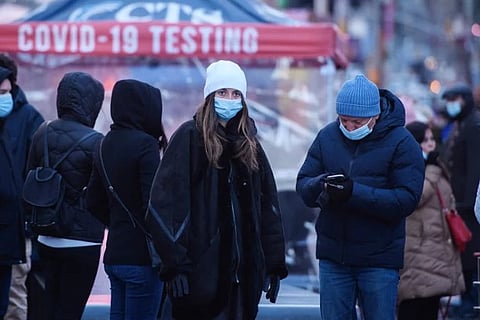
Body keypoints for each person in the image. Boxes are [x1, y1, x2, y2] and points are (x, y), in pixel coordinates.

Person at [146, 59, 288, 320]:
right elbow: (165, 205)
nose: (229, 99)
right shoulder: (190, 138)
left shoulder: (249, 145)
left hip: (243, 280)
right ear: (210, 96)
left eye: (236, 94)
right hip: (201, 277)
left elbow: (268, 207)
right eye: (222, 92)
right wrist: (174, 264)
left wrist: (273, 262)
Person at [296, 74, 425, 320]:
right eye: (344, 121)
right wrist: (322, 185)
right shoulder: (327, 136)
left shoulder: (402, 143)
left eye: (357, 122)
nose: (349, 128)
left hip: (378, 260)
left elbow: (406, 199)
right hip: (335, 257)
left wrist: (354, 192)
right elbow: (303, 184)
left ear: (375, 116)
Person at [24, 71, 105, 319]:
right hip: (82, 243)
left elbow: (28, 177)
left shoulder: (42, 132)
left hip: (45, 236)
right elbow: (100, 196)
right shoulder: (97, 142)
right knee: (70, 311)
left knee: (45, 309)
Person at [86, 79, 168, 320]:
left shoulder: (103, 143)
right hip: (142, 259)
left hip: (114, 256)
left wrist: (119, 224)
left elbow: (92, 200)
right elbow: (153, 205)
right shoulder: (146, 145)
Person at [397, 121, 465, 320]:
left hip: (435, 250)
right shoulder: (413, 169)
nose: (431, 144)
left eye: (431, 139)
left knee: (429, 308)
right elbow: (415, 197)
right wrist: (432, 170)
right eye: (424, 140)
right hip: (417, 253)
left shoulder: (434, 167)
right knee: (413, 306)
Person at [0, 54, 44, 319]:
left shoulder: (28, 117)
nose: (3, 96)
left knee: (15, 290)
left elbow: (38, 168)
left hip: (17, 225)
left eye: (5, 91)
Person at [439, 84, 480, 319]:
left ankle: (470, 310)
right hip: (462, 209)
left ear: (465, 99)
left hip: (470, 212)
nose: (451, 104)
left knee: (471, 265)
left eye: (454, 99)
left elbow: (475, 168)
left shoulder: (473, 125)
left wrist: (466, 203)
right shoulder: (461, 125)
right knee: (465, 266)